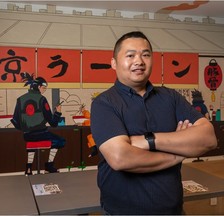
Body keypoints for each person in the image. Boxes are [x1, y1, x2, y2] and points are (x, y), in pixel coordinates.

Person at [90, 31, 217, 215]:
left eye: (146, 54)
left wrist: (148, 140)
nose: (139, 61)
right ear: (114, 63)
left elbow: (208, 138)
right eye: (130, 55)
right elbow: (120, 158)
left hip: (173, 210)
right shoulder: (104, 103)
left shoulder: (171, 97)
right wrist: (177, 154)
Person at [11, 72, 66, 175]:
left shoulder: (20, 99)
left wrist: (25, 128)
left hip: (27, 135)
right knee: (60, 141)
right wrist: (58, 112)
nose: (44, 91)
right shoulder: (42, 99)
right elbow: (53, 123)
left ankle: (28, 168)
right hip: (41, 133)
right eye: (44, 88)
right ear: (39, 86)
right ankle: (49, 166)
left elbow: (15, 120)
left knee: (32, 145)